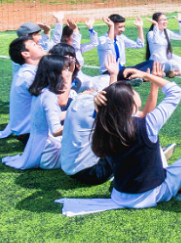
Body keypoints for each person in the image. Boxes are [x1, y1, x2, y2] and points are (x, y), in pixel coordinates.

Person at [57, 66, 181, 215]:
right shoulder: (148, 124)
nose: (136, 92)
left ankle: (172, 179)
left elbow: (108, 112)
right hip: (153, 194)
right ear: (129, 102)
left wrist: (99, 104)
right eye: (133, 91)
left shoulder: (106, 126)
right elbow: (175, 92)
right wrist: (147, 75)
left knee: (152, 146)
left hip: (119, 195)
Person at [60, 54, 167, 185]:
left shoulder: (81, 100)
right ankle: (150, 166)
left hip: (68, 168)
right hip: (93, 173)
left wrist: (113, 75)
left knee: (113, 131)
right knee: (135, 133)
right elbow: (145, 116)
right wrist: (154, 86)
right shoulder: (104, 109)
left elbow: (111, 99)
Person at [2, 55, 75, 170]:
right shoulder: (49, 97)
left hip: (39, 147)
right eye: (65, 69)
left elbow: (51, 118)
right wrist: (78, 124)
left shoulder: (43, 92)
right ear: (55, 74)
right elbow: (56, 130)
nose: (68, 73)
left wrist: (77, 112)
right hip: (48, 153)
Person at [52, 15, 102, 92]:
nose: (78, 37)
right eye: (74, 35)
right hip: (71, 80)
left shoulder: (79, 48)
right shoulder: (61, 50)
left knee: (102, 82)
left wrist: (90, 29)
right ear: (66, 37)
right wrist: (74, 29)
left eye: (78, 35)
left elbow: (94, 43)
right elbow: (75, 46)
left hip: (82, 78)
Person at [97, 14, 153, 79]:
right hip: (108, 72)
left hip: (122, 70)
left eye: (124, 26)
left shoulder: (121, 38)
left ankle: (135, 77)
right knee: (131, 72)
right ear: (111, 26)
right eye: (120, 27)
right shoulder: (102, 40)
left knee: (152, 62)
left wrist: (140, 27)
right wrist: (111, 26)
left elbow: (139, 45)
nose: (123, 29)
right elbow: (109, 44)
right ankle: (137, 77)